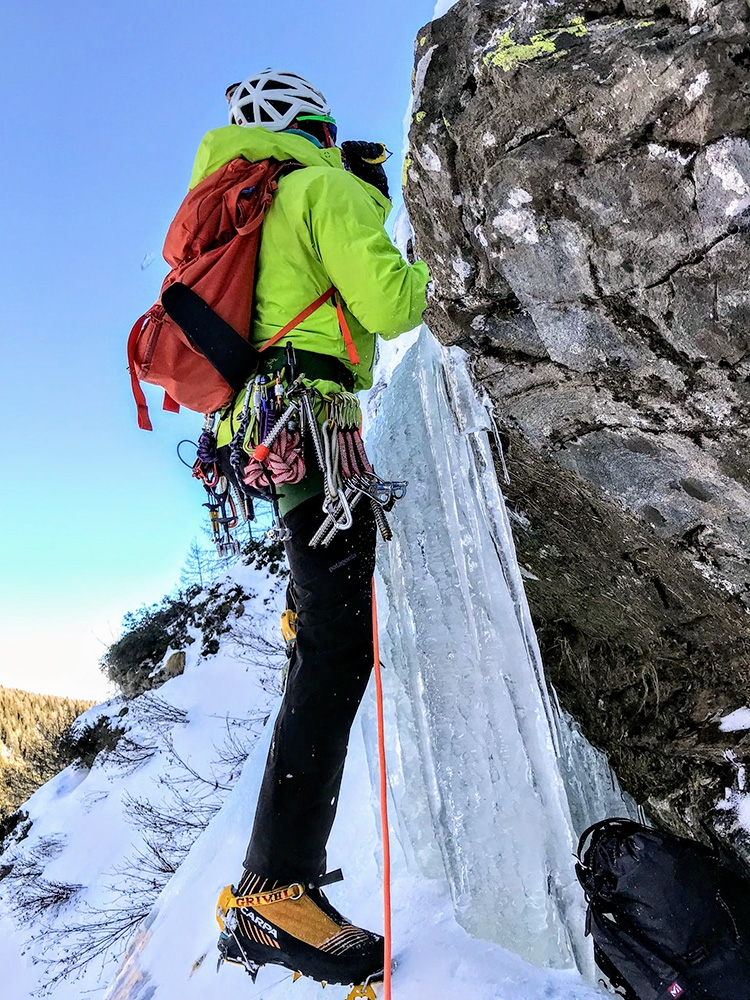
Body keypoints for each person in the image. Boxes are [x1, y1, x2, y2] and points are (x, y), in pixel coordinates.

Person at [203, 70, 430, 986]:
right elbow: (394, 307)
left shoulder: (246, 208)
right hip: (315, 428)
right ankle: (274, 886)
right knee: (340, 644)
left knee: (324, 632)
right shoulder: (321, 187)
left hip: (265, 435)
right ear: (318, 129)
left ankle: (274, 883)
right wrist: (392, 228)